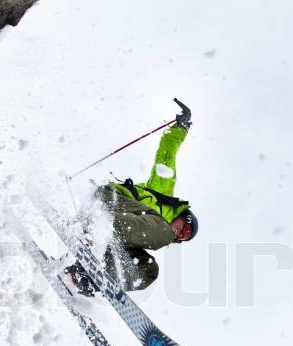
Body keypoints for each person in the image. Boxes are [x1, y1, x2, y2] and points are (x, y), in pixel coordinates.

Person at [67, 98, 198, 294]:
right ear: (183, 215)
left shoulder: (156, 234)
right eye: (185, 229)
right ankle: (94, 226)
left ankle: (83, 276)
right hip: (108, 204)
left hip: (114, 235)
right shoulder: (164, 194)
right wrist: (181, 128)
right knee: (162, 230)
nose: (180, 235)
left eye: (183, 238)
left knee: (149, 270)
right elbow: (167, 154)